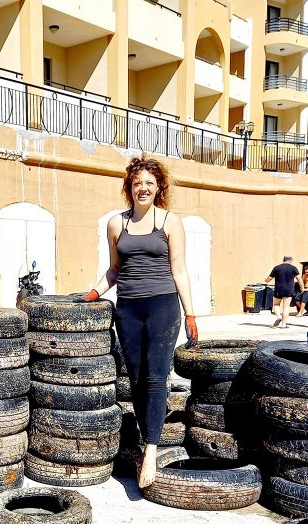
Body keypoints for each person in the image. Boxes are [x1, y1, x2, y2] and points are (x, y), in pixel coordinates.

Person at [79, 156, 197, 489]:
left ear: (159, 186)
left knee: (156, 378)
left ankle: (150, 451)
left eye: (148, 182)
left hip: (162, 306)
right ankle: (148, 437)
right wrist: (92, 293)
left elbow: (180, 269)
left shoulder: (170, 222)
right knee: (136, 379)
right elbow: (114, 270)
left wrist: (190, 313)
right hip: (128, 308)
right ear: (129, 188)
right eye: (136, 183)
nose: (142, 188)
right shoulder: (117, 224)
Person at [263, 256, 299, 329]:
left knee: (276, 304)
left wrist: (266, 280)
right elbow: (299, 279)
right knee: (286, 307)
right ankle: (283, 324)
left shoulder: (277, 268)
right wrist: (302, 287)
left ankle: (278, 316)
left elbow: (269, 278)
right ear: (291, 260)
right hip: (289, 290)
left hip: (278, 289)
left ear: (283, 259)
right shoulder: (293, 268)